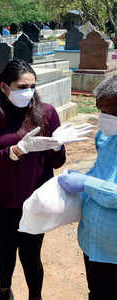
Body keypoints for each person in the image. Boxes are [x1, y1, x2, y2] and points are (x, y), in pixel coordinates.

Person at [0, 60, 66, 300]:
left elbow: (57, 163)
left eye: (32, 86)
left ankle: (35, 296)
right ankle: (4, 291)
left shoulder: (46, 113)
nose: (28, 92)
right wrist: (14, 151)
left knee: (32, 253)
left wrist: (57, 146)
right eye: (22, 86)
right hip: (4, 198)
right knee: (7, 250)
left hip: (37, 199)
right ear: (4, 87)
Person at [58, 75, 117, 300]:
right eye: (99, 110)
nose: (102, 118)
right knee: (97, 293)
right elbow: (102, 172)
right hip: (92, 242)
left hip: (114, 250)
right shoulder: (107, 136)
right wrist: (81, 180)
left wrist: (85, 183)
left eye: (108, 111)